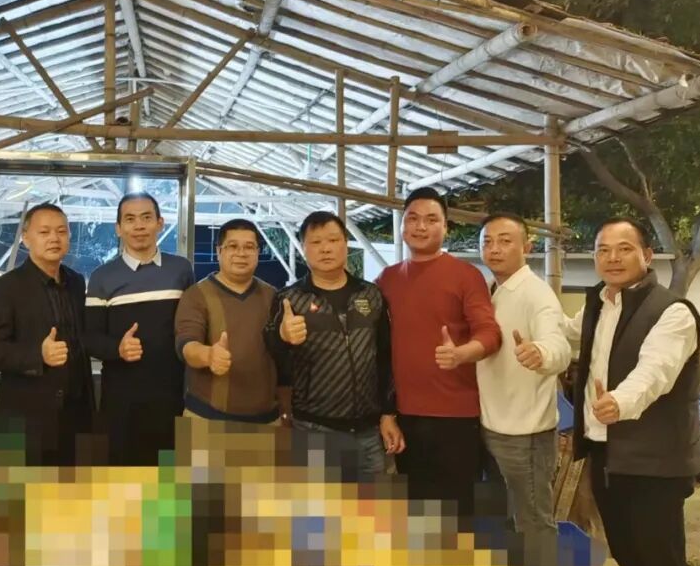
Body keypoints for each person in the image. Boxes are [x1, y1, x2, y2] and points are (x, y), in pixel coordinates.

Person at [565, 217, 700, 566]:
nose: (613, 258)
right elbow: (565, 332)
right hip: (607, 454)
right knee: (629, 555)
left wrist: (619, 402)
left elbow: (655, 370)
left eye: (624, 249)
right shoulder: (598, 305)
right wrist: (536, 345)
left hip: (656, 461)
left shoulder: (673, 311)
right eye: (603, 250)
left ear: (647, 255)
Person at [376, 186, 502, 517]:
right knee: (415, 510)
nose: (421, 226)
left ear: (446, 227)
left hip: (455, 416)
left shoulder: (466, 275)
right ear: (402, 225)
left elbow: (490, 334)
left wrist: (462, 353)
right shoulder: (386, 279)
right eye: (412, 218)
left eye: (431, 219)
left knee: (455, 512)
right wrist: (386, 413)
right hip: (404, 415)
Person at [265, 211, 402, 477]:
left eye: (333, 240)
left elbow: (385, 357)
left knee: (371, 502)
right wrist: (281, 336)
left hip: (368, 431)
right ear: (303, 248)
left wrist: (388, 413)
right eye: (315, 242)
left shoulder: (371, 294)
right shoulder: (289, 298)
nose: (325, 248)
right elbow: (273, 355)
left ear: (345, 244)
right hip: (314, 429)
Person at [476, 213, 571, 566]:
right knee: (507, 522)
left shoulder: (536, 293)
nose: (495, 249)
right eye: (487, 242)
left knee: (534, 524)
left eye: (505, 241)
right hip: (490, 425)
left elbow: (558, 344)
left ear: (527, 247)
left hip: (526, 434)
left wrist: (541, 353)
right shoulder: (490, 289)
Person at [0, 203, 94, 465]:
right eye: (44, 232)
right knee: (20, 490)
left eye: (61, 231)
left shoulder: (76, 282)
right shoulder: (5, 287)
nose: (54, 238)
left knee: (71, 488)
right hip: (24, 420)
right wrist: (38, 354)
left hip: (74, 417)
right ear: (25, 237)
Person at [85, 192, 193, 465]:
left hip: (173, 396)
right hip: (122, 400)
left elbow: (192, 325)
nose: (139, 226)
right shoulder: (101, 277)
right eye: (130, 219)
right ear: (118, 228)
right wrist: (117, 348)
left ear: (160, 223)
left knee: (170, 476)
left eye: (146, 217)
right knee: (124, 477)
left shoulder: (181, 270)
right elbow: (89, 337)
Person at [174, 219, 283, 424]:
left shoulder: (272, 296)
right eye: (232, 246)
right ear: (219, 251)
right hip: (207, 418)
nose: (241, 253)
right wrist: (209, 356)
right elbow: (186, 345)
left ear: (258, 252)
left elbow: (282, 356)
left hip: (267, 419)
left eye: (249, 247)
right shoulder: (196, 295)